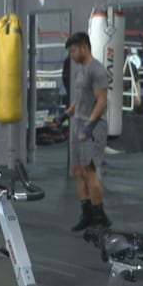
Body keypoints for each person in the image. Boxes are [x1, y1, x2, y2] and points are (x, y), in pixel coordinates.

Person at [53, 32, 112, 232]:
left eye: (74, 50)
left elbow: (102, 101)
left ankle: (99, 214)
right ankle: (86, 212)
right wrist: (64, 116)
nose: (72, 54)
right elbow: (79, 102)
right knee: (77, 170)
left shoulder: (97, 70)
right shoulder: (79, 72)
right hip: (78, 124)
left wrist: (89, 125)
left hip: (93, 127)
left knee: (90, 170)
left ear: (84, 48)